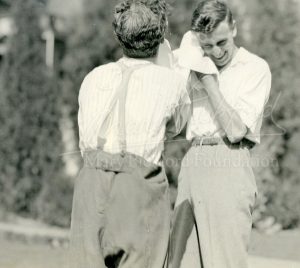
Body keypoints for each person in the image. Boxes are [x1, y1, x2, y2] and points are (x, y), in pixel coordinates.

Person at [69, 1, 191, 268]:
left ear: (118, 34)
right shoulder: (171, 82)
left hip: (90, 181)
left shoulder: (94, 77)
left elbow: (83, 139)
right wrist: (169, 64)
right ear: (160, 35)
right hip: (138, 184)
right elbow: (179, 125)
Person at [174, 1, 272, 268]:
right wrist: (186, 60)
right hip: (192, 161)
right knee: (179, 263)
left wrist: (207, 80)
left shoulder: (254, 67)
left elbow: (236, 130)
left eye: (222, 42)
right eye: (207, 45)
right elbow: (175, 124)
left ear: (234, 29)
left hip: (228, 159)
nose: (216, 52)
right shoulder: (194, 64)